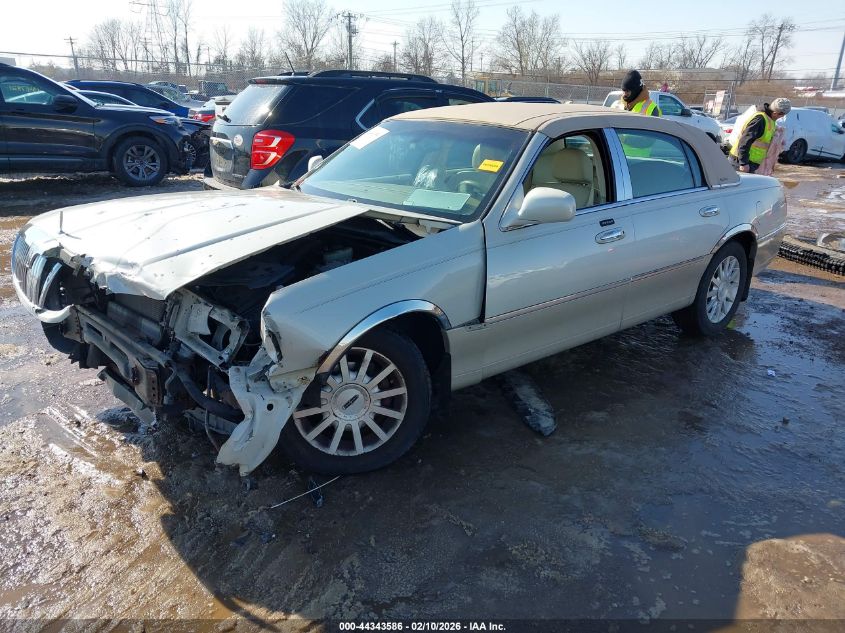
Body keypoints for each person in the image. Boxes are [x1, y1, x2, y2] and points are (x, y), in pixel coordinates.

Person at [729, 98, 791, 173]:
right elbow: (744, 141)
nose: (780, 118)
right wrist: (743, 163)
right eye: (781, 116)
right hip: (740, 162)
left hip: (750, 163)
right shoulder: (760, 120)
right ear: (775, 113)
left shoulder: (770, 120)